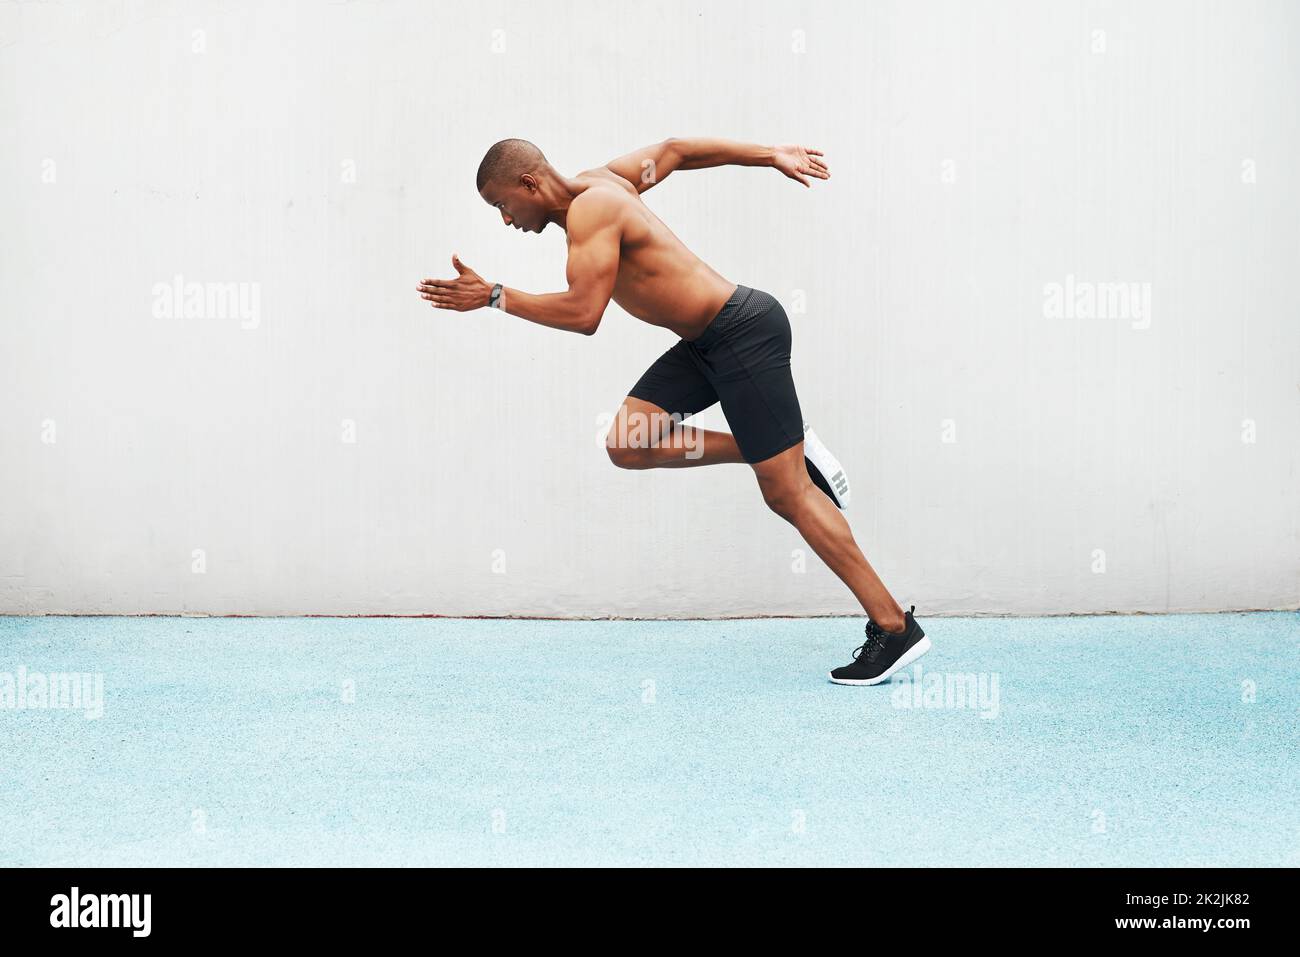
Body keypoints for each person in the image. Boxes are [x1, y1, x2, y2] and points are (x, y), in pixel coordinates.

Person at [416, 137, 930, 685]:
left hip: (741, 332)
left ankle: (894, 627)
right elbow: (678, 151)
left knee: (786, 495)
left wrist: (495, 296)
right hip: (704, 344)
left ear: (530, 184)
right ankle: (782, 448)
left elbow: (585, 313)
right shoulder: (604, 180)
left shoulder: (593, 208)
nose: (505, 220)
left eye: (502, 205)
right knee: (628, 444)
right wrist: (769, 154)